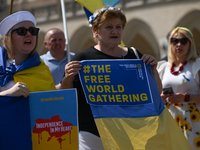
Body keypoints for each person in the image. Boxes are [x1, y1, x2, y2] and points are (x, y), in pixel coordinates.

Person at [60, 6, 162, 150]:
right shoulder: (82, 59)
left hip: (128, 131)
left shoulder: (134, 55)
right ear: (96, 31)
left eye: (118, 27)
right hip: (92, 134)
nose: (115, 31)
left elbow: (156, 92)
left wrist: (153, 71)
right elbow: (67, 96)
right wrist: (67, 79)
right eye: (109, 27)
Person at [157, 27, 200, 149]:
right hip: (171, 119)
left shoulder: (197, 64)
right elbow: (157, 99)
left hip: (194, 120)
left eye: (183, 41)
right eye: (174, 41)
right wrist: (163, 98)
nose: (179, 44)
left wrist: (185, 97)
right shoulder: (163, 67)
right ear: (170, 43)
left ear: (190, 43)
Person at [0, 11, 56, 97]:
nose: (29, 34)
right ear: (9, 38)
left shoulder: (42, 69)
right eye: (22, 31)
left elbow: (51, 103)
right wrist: (7, 94)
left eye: (32, 31)